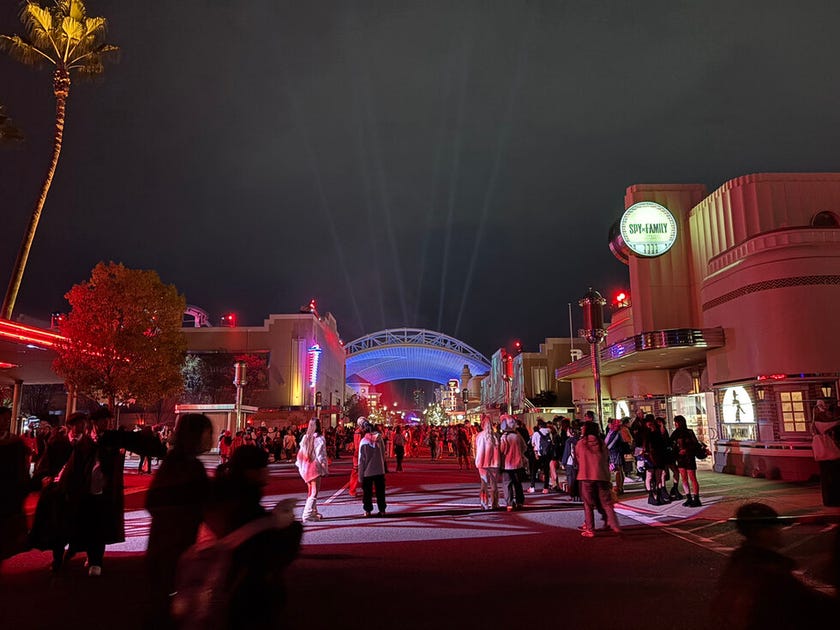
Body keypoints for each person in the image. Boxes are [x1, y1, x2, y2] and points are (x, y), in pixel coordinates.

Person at [172, 445, 303, 629]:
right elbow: (265, 552)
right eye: (264, 466)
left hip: (219, 582)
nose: (268, 471)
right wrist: (290, 528)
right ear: (251, 472)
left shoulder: (221, 495)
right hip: (242, 592)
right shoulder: (245, 504)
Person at [712, 502, 838, 628]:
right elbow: (810, 606)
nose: (779, 531)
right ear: (762, 532)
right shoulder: (771, 573)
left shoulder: (741, 562)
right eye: (774, 527)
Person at [145, 413, 214, 629]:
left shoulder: (177, 461)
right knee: (171, 602)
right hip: (175, 544)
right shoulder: (186, 465)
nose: (210, 438)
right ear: (195, 435)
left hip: (168, 542)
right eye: (208, 433)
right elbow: (157, 501)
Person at [59, 406, 126, 576]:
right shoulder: (86, 442)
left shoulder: (112, 441)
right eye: (103, 420)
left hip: (103, 491)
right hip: (85, 492)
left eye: (108, 420)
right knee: (84, 525)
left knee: (99, 526)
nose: (106, 423)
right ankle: (79, 553)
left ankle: (96, 561)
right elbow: (75, 468)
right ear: (94, 422)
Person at [28, 412, 86, 571]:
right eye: (79, 424)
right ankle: (57, 558)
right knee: (58, 526)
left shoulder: (86, 445)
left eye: (83, 424)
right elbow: (46, 462)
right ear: (70, 426)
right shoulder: (58, 443)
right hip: (59, 491)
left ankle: (73, 550)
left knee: (78, 525)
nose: (82, 427)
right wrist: (45, 477)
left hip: (78, 491)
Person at [575, 420, 621, 538]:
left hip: (586, 476)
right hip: (602, 476)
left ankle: (590, 529)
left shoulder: (581, 443)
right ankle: (615, 525)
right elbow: (606, 458)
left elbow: (578, 458)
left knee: (588, 504)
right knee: (607, 503)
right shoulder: (601, 443)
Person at [0, 406, 30, 567]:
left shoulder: (15, 442)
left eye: (7, 418)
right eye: (2, 418)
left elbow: (21, 468)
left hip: (9, 490)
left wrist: (23, 487)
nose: (5, 422)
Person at [295, 418, 329, 522]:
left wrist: (300, 467)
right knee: (314, 492)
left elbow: (300, 454)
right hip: (314, 468)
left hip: (305, 467)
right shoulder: (320, 439)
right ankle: (307, 513)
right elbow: (321, 456)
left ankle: (313, 511)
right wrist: (325, 469)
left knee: (310, 491)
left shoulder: (305, 437)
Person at [812, 400, 840, 507]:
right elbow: (832, 423)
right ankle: (831, 500)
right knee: (830, 478)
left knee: (828, 477)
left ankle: (831, 499)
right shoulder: (820, 422)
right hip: (828, 455)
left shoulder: (816, 422)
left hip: (825, 455)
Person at [670, 415, 702, 507]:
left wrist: (686, 450)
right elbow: (670, 443)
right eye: (675, 422)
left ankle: (696, 498)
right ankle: (688, 497)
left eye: (676, 422)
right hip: (680, 458)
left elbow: (695, 444)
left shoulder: (689, 432)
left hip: (689, 457)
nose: (675, 424)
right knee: (684, 478)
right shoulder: (675, 433)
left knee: (692, 478)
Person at [357, 421, 387, 517]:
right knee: (380, 491)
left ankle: (368, 510)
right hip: (379, 469)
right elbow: (383, 453)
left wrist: (360, 475)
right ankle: (382, 510)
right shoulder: (380, 439)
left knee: (367, 493)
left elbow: (361, 460)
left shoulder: (364, 441)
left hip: (368, 471)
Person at [498, 415, 527, 512]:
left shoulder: (504, 437)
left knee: (507, 484)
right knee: (518, 483)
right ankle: (520, 502)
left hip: (506, 465)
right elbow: (524, 448)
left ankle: (509, 504)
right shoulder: (517, 436)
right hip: (518, 464)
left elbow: (501, 451)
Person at [474, 415, 500, 510]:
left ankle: (484, 503)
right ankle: (494, 503)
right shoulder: (496, 436)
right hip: (494, 462)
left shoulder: (479, 436)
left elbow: (476, 448)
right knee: (494, 483)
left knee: (483, 483)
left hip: (482, 462)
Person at [528, 418, 552, 494]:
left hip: (538, 455)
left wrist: (535, 453)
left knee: (534, 471)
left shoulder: (536, 433)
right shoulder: (549, 432)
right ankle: (545, 488)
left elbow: (533, 444)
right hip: (547, 455)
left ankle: (532, 487)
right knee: (546, 471)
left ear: (539, 426)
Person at [604, 417, 627, 495]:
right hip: (614, 453)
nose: (608, 424)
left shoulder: (616, 433)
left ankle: (619, 487)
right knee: (619, 470)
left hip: (615, 453)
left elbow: (611, 444)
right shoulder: (611, 431)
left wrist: (605, 449)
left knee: (617, 470)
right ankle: (620, 487)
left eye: (610, 423)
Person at [348, 417, 366, 497]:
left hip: (361, 454)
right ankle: (352, 490)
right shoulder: (359, 432)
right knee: (356, 472)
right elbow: (358, 446)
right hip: (359, 454)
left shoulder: (362, 432)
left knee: (365, 472)